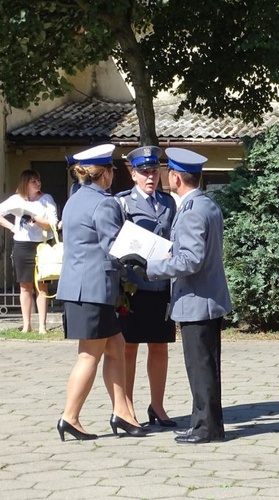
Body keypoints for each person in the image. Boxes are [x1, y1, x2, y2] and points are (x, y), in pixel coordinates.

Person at [121, 147, 232, 444]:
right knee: (203, 366)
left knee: (201, 367)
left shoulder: (192, 211)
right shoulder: (205, 204)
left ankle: (207, 428)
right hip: (204, 298)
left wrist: (150, 267)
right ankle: (203, 422)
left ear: (175, 177)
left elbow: (190, 260)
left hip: (198, 300)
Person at [56, 144, 147, 441]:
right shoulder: (105, 203)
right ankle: (69, 416)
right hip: (94, 288)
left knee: (116, 347)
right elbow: (114, 245)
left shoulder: (74, 199)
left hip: (78, 286)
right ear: (105, 174)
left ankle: (121, 411)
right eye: (112, 171)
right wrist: (143, 257)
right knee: (89, 355)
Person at [115, 146, 178, 427]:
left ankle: (158, 406)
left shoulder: (168, 203)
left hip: (161, 284)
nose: (150, 177)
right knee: (129, 348)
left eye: (154, 171)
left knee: (160, 346)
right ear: (133, 174)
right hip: (134, 286)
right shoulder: (123, 203)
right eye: (144, 172)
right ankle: (127, 407)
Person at [0, 170, 58, 334]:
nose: (38, 184)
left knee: (42, 286)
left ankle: (42, 326)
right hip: (22, 245)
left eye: (38, 181)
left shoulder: (47, 200)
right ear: (25, 183)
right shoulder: (16, 200)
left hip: (42, 244)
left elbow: (52, 224)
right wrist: (12, 227)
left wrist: (35, 220)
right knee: (25, 286)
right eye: (34, 181)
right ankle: (26, 325)